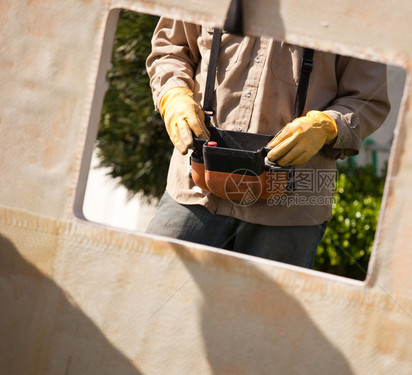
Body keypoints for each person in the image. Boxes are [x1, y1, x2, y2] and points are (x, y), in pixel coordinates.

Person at [145, 18, 390, 268]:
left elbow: (370, 98)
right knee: (156, 294)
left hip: (291, 213)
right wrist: (172, 95)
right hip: (193, 191)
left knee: (265, 309)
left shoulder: (352, 10)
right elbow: (169, 50)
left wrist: (328, 125)